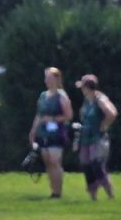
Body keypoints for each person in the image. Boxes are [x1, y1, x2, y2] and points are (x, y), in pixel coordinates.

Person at [27, 67, 73, 198]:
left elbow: (68, 115)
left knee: (54, 160)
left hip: (57, 133)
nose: (47, 80)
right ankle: (53, 190)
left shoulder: (61, 96)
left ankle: (58, 191)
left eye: (50, 78)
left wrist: (53, 119)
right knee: (47, 161)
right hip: (43, 133)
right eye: (46, 77)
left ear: (56, 79)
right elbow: (39, 115)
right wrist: (33, 131)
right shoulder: (43, 96)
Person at [74, 74, 116, 200]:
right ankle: (93, 197)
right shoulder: (87, 100)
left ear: (87, 87)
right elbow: (83, 116)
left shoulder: (100, 99)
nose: (81, 89)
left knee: (96, 165)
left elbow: (112, 113)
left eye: (82, 87)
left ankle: (110, 194)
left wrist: (104, 125)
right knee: (86, 166)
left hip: (98, 138)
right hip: (86, 138)